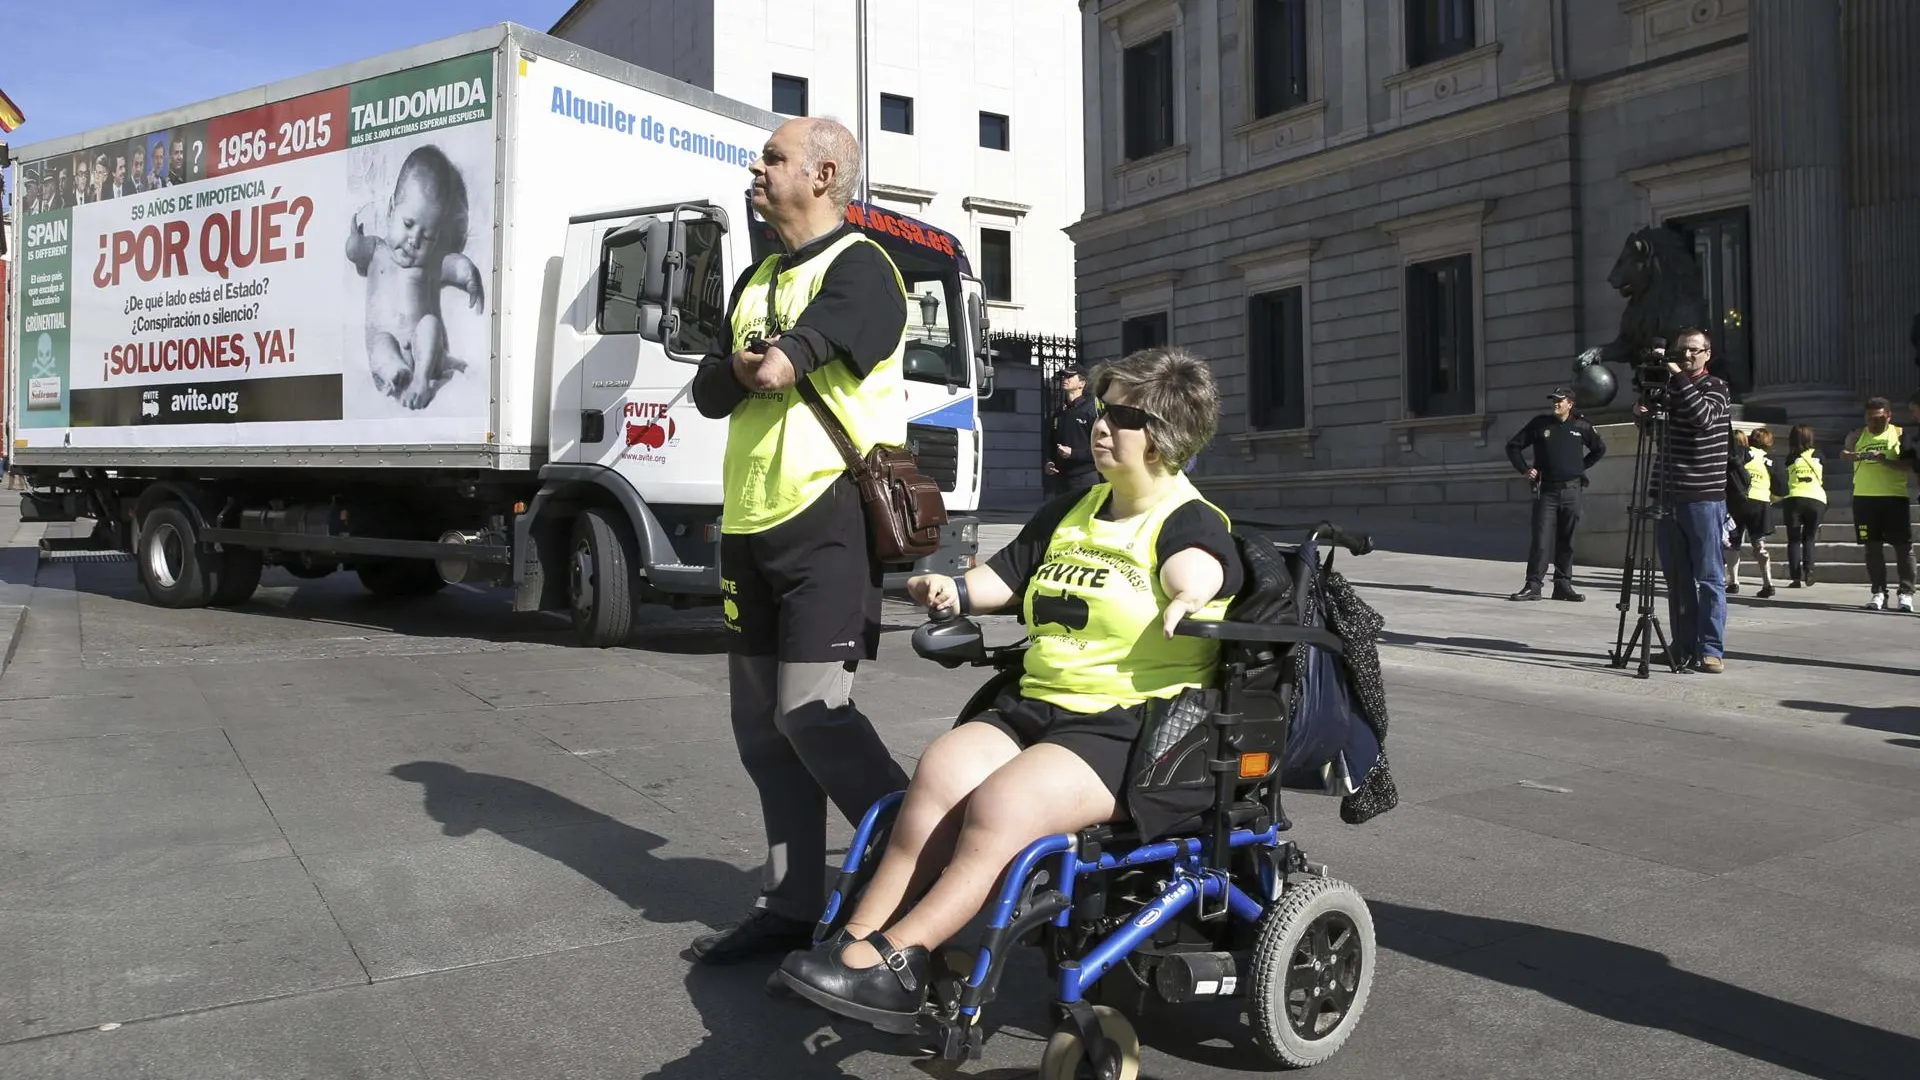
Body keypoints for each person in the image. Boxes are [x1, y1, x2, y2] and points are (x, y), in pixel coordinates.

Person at [775, 347, 1243, 1031]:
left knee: (1001, 806)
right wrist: (955, 591)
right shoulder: (1073, 510)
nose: (1100, 425)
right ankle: (853, 946)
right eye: (1098, 410)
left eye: (1123, 415)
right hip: (1038, 704)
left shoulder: (1185, 519)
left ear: (1168, 433)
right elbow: (1008, 577)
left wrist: (1189, 595)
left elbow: (1202, 566)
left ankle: (901, 958)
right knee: (937, 776)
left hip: (1128, 725)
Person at [686, 116, 914, 966]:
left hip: (825, 520)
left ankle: (921, 863)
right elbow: (713, 388)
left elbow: (781, 367)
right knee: (759, 728)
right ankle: (791, 905)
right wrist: (746, 365)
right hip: (748, 523)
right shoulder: (757, 276)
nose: (756, 166)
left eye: (773, 157)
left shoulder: (863, 269)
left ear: (822, 177)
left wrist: (756, 364)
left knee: (811, 715)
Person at [346, 145, 484, 410]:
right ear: (390, 211)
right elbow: (355, 252)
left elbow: (455, 265)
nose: (414, 240)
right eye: (408, 224)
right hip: (388, 345)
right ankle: (395, 373)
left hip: (423, 352)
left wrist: (470, 278)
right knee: (380, 343)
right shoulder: (377, 250)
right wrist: (354, 239)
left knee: (430, 324)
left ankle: (421, 379)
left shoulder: (429, 264)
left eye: (427, 236)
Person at [1636, 327, 1732, 673]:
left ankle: (1711, 649)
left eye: (1693, 351)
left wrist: (1677, 378)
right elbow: (1654, 436)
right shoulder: (1671, 391)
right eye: (1680, 352)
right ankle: (1683, 644)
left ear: (1707, 353)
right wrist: (1644, 412)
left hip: (1702, 498)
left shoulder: (1716, 387)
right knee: (1676, 579)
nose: (1686, 356)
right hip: (1666, 494)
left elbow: (1704, 419)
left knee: (1708, 578)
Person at [1504, 387, 1607, 602]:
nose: (1556, 404)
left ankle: (1562, 585)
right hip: (1547, 491)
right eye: (1554, 400)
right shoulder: (1540, 424)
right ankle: (1533, 585)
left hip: (1572, 490)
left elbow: (1599, 449)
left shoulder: (1581, 426)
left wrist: (1580, 467)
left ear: (1570, 404)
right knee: (1541, 540)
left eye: (1560, 401)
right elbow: (1513, 446)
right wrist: (1525, 469)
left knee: (1566, 540)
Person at [1842, 397, 1913, 611]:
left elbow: (1909, 465)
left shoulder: (1900, 435)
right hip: (1864, 500)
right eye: (1869, 418)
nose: (1873, 423)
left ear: (1889, 416)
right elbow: (1846, 453)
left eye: (1878, 419)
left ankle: (1906, 593)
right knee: (1872, 548)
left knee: (1903, 548)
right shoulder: (1857, 434)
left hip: (1894, 498)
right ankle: (1878, 591)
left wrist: (1884, 460)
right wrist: (1848, 456)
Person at [1723, 427, 1781, 598]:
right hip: (1761, 502)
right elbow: (1781, 487)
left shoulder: (1742, 451)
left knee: (1733, 542)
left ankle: (1733, 582)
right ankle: (1768, 582)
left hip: (1739, 500)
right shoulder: (1771, 460)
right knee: (1759, 542)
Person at [1779, 425, 1826, 588]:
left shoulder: (1790, 458)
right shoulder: (1819, 455)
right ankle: (1810, 570)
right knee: (1810, 538)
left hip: (1795, 499)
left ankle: (1796, 577)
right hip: (1816, 499)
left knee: (1793, 540)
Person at [1043, 361, 1097, 497]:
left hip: (1085, 478)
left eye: (1069, 376)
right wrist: (1050, 461)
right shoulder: (1059, 412)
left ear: (1082, 383)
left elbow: (1100, 449)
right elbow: (1050, 443)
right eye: (1063, 376)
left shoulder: (1091, 410)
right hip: (1062, 480)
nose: (1064, 379)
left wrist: (1073, 453)